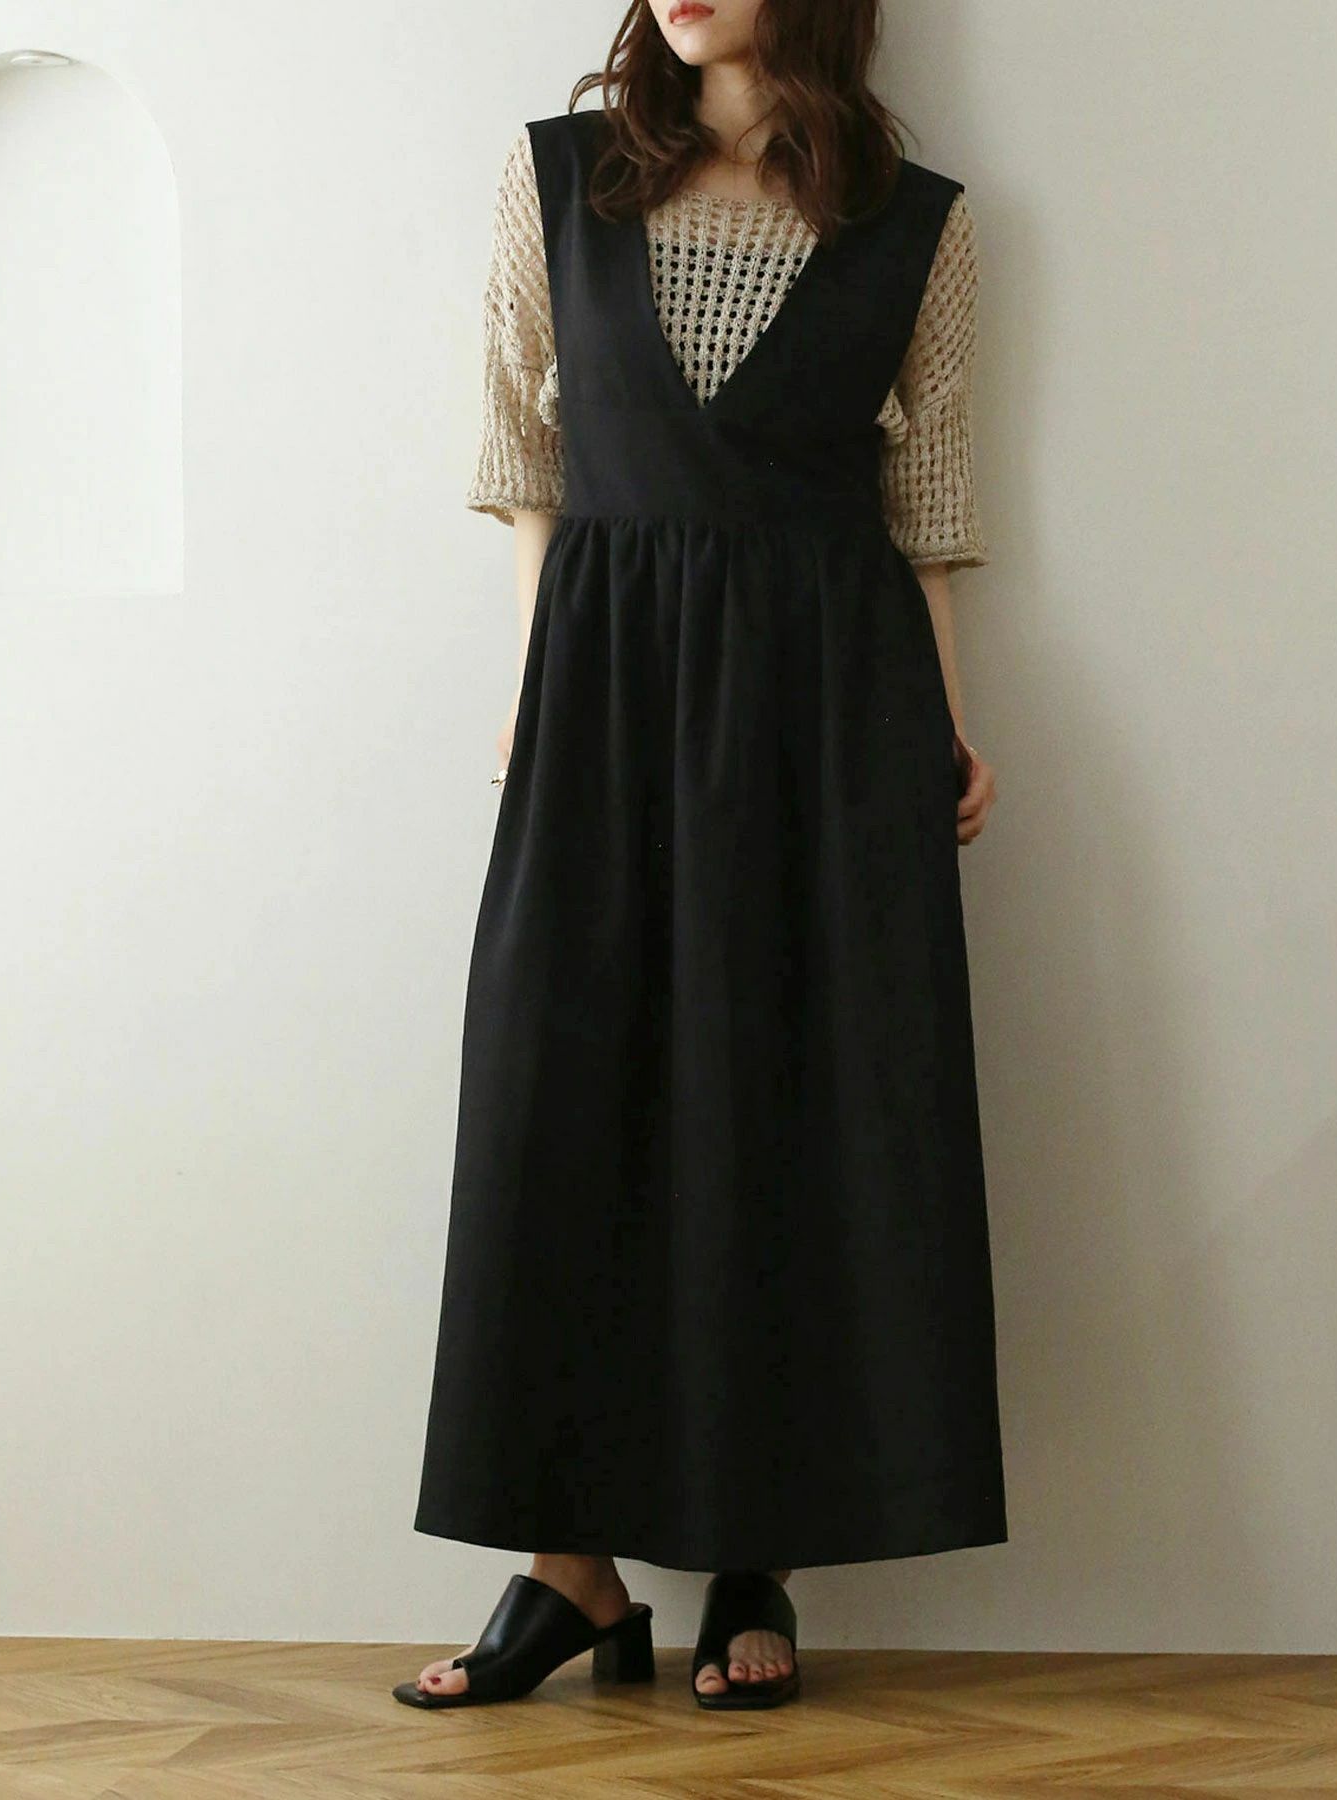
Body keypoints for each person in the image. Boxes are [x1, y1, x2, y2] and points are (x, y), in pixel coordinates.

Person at [393, 0, 1007, 1714]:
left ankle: (758, 1551)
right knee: (556, 1087)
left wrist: (951, 728)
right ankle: (568, 1569)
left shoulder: (916, 221)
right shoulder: (559, 178)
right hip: (602, 685)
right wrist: (535, 688)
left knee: (785, 1098)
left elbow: (930, 507)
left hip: (827, 705)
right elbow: (524, 458)